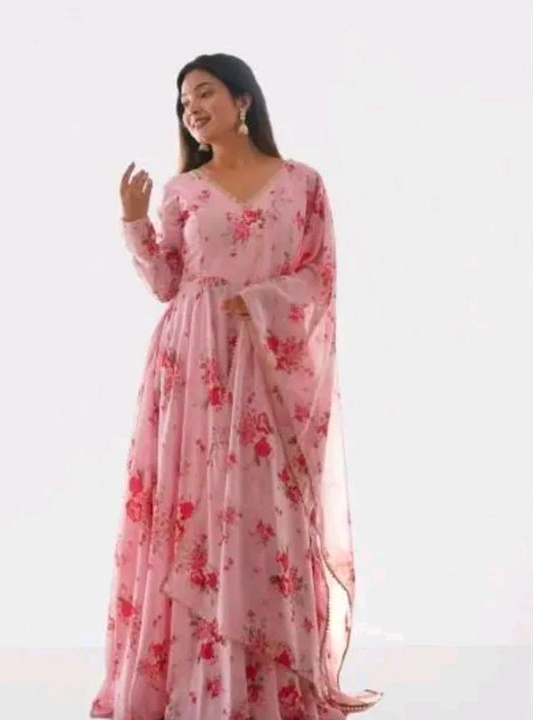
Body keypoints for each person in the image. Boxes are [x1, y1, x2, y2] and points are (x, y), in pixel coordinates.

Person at [90, 53, 383, 720]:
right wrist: (134, 222)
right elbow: (167, 283)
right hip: (191, 364)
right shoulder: (182, 190)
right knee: (189, 509)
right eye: (183, 101)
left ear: (243, 100)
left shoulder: (302, 184)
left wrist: (260, 301)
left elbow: (319, 275)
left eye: (204, 92)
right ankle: (190, 685)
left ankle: (265, 685)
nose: (191, 108)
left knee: (263, 507)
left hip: (266, 369)